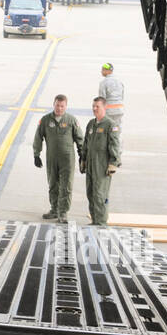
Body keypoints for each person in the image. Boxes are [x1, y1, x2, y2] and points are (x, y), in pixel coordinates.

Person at [32, 94, 83, 221]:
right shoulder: (45, 120)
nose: (59, 108)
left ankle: (63, 212)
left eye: (62, 106)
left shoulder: (71, 120)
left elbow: (79, 138)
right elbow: (38, 137)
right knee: (53, 184)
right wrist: (36, 154)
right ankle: (54, 209)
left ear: (66, 106)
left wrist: (82, 154)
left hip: (67, 159)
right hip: (52, 158)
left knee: (66, 186)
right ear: (53, 105)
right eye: (57, 105)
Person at [80, 97, 122, 225]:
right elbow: (86, 143)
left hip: (102, 166)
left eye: (97, 106)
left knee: (100, 195)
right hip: (91, 166)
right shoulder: (91, 124)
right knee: (90, 193)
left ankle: (101, 223)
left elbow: (114, 144)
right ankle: (94, 221)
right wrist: (83, 159)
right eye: (93, 106)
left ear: (105, 107)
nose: (94, 109)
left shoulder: (110, 125)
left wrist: (113, 163)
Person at [98, 62, 125, 127]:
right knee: (116, 128)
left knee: (107, 128)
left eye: (102, 70)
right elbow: (122, 96)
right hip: (119, 110)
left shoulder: (103, 83)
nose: (101, 71)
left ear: (108, 71)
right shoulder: (119, 81)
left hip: (109, 111)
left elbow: (102, 99)